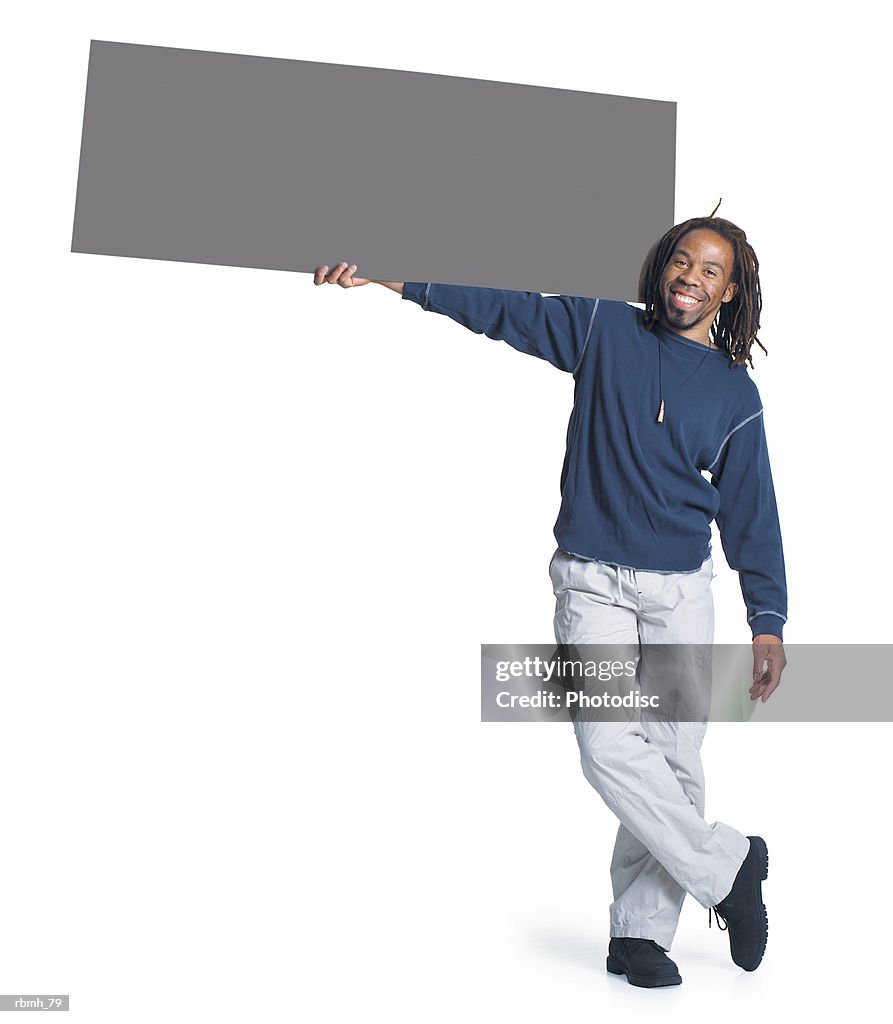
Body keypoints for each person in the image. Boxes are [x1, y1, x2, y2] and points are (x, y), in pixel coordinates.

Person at [312, 214, 787, 988]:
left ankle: (639, 935)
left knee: (671, 760)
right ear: (660, 267)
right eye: (680, 260)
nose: (689, 278)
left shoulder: (736, 397)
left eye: (709, 271)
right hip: (592, 580)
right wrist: (389, 278)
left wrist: (767, 623)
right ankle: (728, 866)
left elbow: (751, 514)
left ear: (728, 291)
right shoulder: (603, 330)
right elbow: (503, 306)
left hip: (678, 594)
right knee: (607, 747)